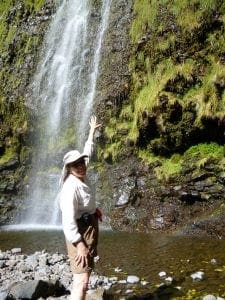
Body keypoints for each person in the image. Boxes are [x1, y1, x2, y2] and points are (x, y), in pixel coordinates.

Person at [59, 115, 101, 300]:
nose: (81, 166)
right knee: (81, 280)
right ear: (68, 168)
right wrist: (80, 244)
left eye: (81, 162)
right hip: (79, 231)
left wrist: (92, 131)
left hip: (89, 225)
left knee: (86, 274)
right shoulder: (70, 187)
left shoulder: (81, 173)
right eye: (75, 165)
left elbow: (88, 151)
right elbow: (67, 221)